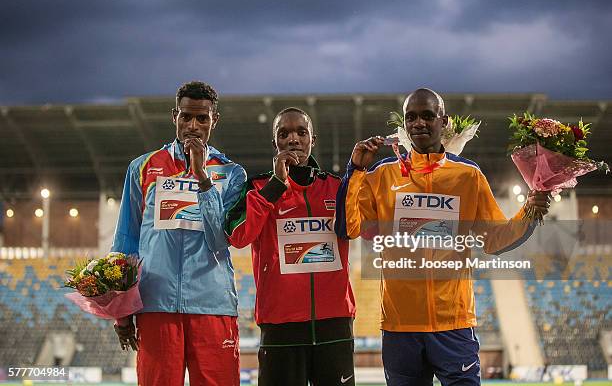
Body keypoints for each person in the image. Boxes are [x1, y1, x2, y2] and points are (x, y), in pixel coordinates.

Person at [335, 88, 551, 386]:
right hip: (401, 328)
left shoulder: (467, 175)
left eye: (427, 115)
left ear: (444, 121)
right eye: (411, 117)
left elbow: (495, 239)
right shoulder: (382, 174)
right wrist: (356, 170)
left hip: (454, 324)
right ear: (405, 124)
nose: (419, 123)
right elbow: (348, 227)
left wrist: (528, 211)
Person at [112, 81, 246, 386]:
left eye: (202, 119)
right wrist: (122, 313)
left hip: (212, 306)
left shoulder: (232, 173)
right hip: (156, 303)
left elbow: (219, 239)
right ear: (175, 116)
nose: (193, 126)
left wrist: (202, 178)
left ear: (215, 121)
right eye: (186, 117)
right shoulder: (143, 168)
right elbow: (125, 242)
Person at [225, 107, 356, 386]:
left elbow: (362, 228)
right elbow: (237, 235)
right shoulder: (258, 186)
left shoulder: (337, 187)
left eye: (301, 132)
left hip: (334, 323)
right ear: (275, 144)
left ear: (313, 139)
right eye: (284, 134)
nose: (293, 139)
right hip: (280, 326)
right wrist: (275, 186)